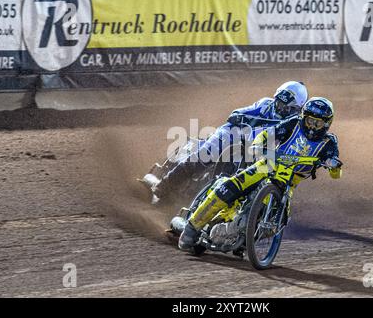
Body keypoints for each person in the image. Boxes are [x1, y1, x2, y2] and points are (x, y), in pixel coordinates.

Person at [178, 97, 343, 250]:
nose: (312, 126)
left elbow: (336, 173)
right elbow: (267, 134)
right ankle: (192, 227)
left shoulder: (329, 142)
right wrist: (258, 145)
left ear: (327, 124)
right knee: (231, 186)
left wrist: (334, 166)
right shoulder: (293, 123)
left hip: (289, 181)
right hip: (267, 165)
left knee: (279, 220)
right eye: (310, 121)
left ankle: (245, 235)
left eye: (318, 123)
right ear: (303, 117)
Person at [145, 81, 309, 204]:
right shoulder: (265, 105)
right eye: (280, 104)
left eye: (288, 108)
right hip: (234, 136)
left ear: (298, 109)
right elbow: (237, 113)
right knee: (207, 153)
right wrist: (241, 118)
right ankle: (164, 186)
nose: (281, 110)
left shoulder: (296, 125)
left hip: (259, 155)